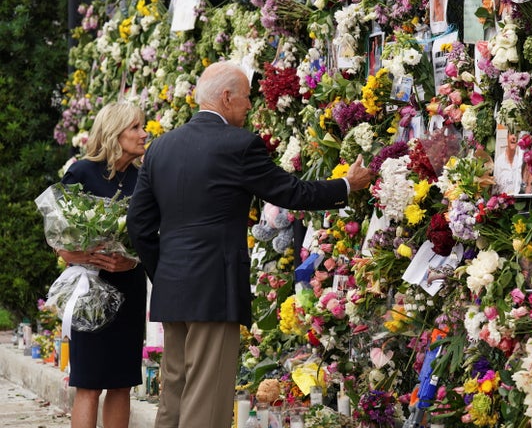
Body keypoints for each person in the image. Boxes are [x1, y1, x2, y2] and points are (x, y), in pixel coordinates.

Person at [127, 61, 372, 428]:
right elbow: (291, 191)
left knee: (174, 395)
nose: (249, 106)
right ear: (226, 98)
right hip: (214, 289)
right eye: (245, 98)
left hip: (172, 287)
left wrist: (163, 272)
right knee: (206, 402)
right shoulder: (238, 145)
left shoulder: (161, 147)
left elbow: (139, 224)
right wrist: (346, 185)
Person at [57, 101, 148, 428]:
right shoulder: (81, 172)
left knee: (122, 381)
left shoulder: (144, 177)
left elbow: (151, 234)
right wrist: (79, 255)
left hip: (129, 288)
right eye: (135, 127)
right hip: (90, 289)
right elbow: (58, 238)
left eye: (142, 126)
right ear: (114, 133)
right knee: (89, 382)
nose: (143, 134)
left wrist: (131, 261)